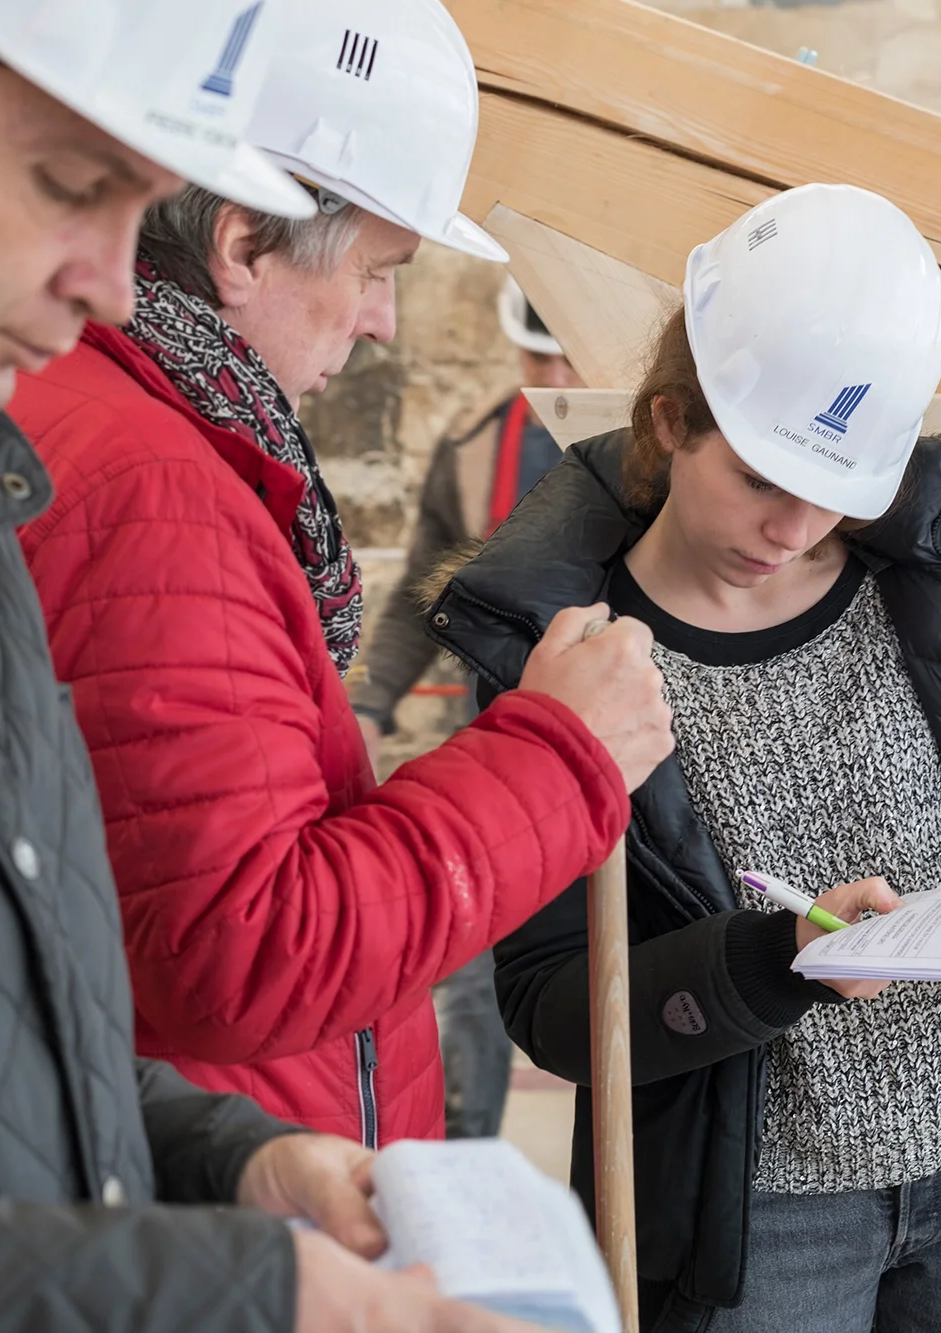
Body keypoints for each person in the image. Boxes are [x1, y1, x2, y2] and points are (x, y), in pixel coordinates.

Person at [0, 1, 538, 1328]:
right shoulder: (37, 477)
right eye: (66, 184)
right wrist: (214, 1286)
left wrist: (220, 1159)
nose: (117, 288)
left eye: (139, 206)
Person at [423, 184, 941, 1332]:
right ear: (673, 420)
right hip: (755, 1211)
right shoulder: (563, 648)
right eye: (763, 478)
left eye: (833, 493)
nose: (793, 526)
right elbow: (552, 1007)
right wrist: (775, 959)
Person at [7, 0, 671, 1150]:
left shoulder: (96, 413)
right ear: (244, 243)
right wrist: (562, 755)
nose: (383, 324)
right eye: (376, 268)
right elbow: (251, 950)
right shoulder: (159, 492)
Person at [353, 278, 582, 1139]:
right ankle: (472, 1167)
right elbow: (424, 595)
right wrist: (371, 702)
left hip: (631, 758)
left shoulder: (653, 450)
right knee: (475, 974)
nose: (555, 370)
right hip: (500, 752)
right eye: (538, 353)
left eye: (567, 353)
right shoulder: (474, 449)